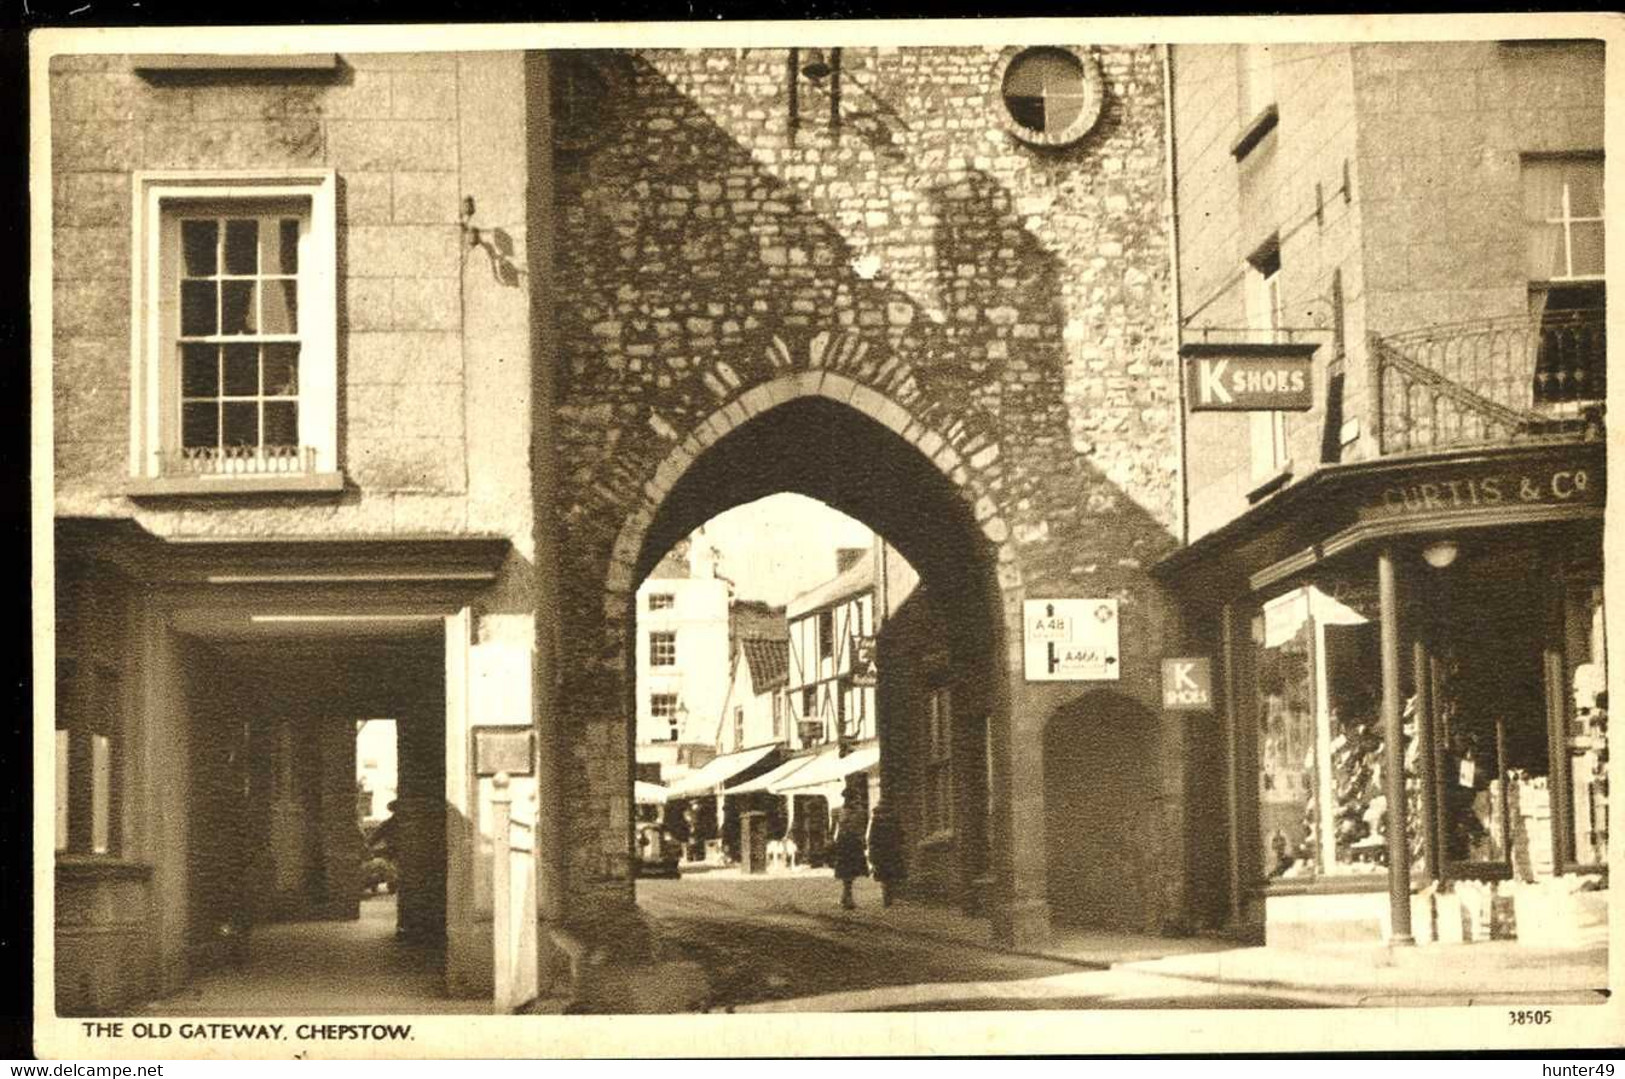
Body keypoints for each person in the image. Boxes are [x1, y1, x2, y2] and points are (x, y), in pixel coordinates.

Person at [866, 798, 905, 907]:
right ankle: (890, 896)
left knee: (884, 875)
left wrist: (871, 852)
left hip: (880, 851)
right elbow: (901, 834)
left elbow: (871, 837)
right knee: (891, 875)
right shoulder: (894, 819)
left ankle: (886, 898)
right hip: (892, 850)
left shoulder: (876, 820)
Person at [831, 802, 869, 909]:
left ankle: (846, 895)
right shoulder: (837, 810)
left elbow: (863, 828)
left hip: (854, 842)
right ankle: (847, 896)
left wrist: (863, 840)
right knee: (847, 871)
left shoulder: (861, 811)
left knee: (852, 871)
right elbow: (833, 828)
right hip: (844, 842)